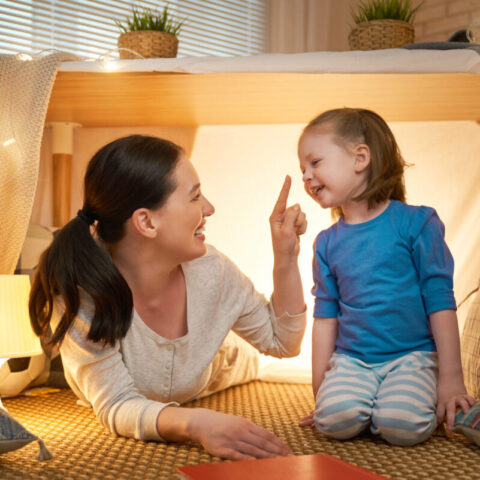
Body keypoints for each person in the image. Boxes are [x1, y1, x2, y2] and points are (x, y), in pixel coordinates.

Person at [29, 134, 308, 460]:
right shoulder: (83, 293)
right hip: (105, 373)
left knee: (253, 361)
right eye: (195, 197)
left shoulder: (213, 272)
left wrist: (285, 257)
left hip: (225, 362)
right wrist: (196, 423)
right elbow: (117, 403)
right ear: (146, 221)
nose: (209, 208)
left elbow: (283, 343)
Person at [297, 108, 475, 446]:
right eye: (302, 168)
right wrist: (320, 394)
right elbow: (325, 319)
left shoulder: (417, 223)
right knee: (334, 421)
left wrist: (451, 379)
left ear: (360, 158)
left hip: (413, 357)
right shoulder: (326, 243)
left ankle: (391, 403)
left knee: (401, 425)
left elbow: (440, 301)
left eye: (315, 162)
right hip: (352, 361)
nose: (307, 176)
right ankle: (364, 402)